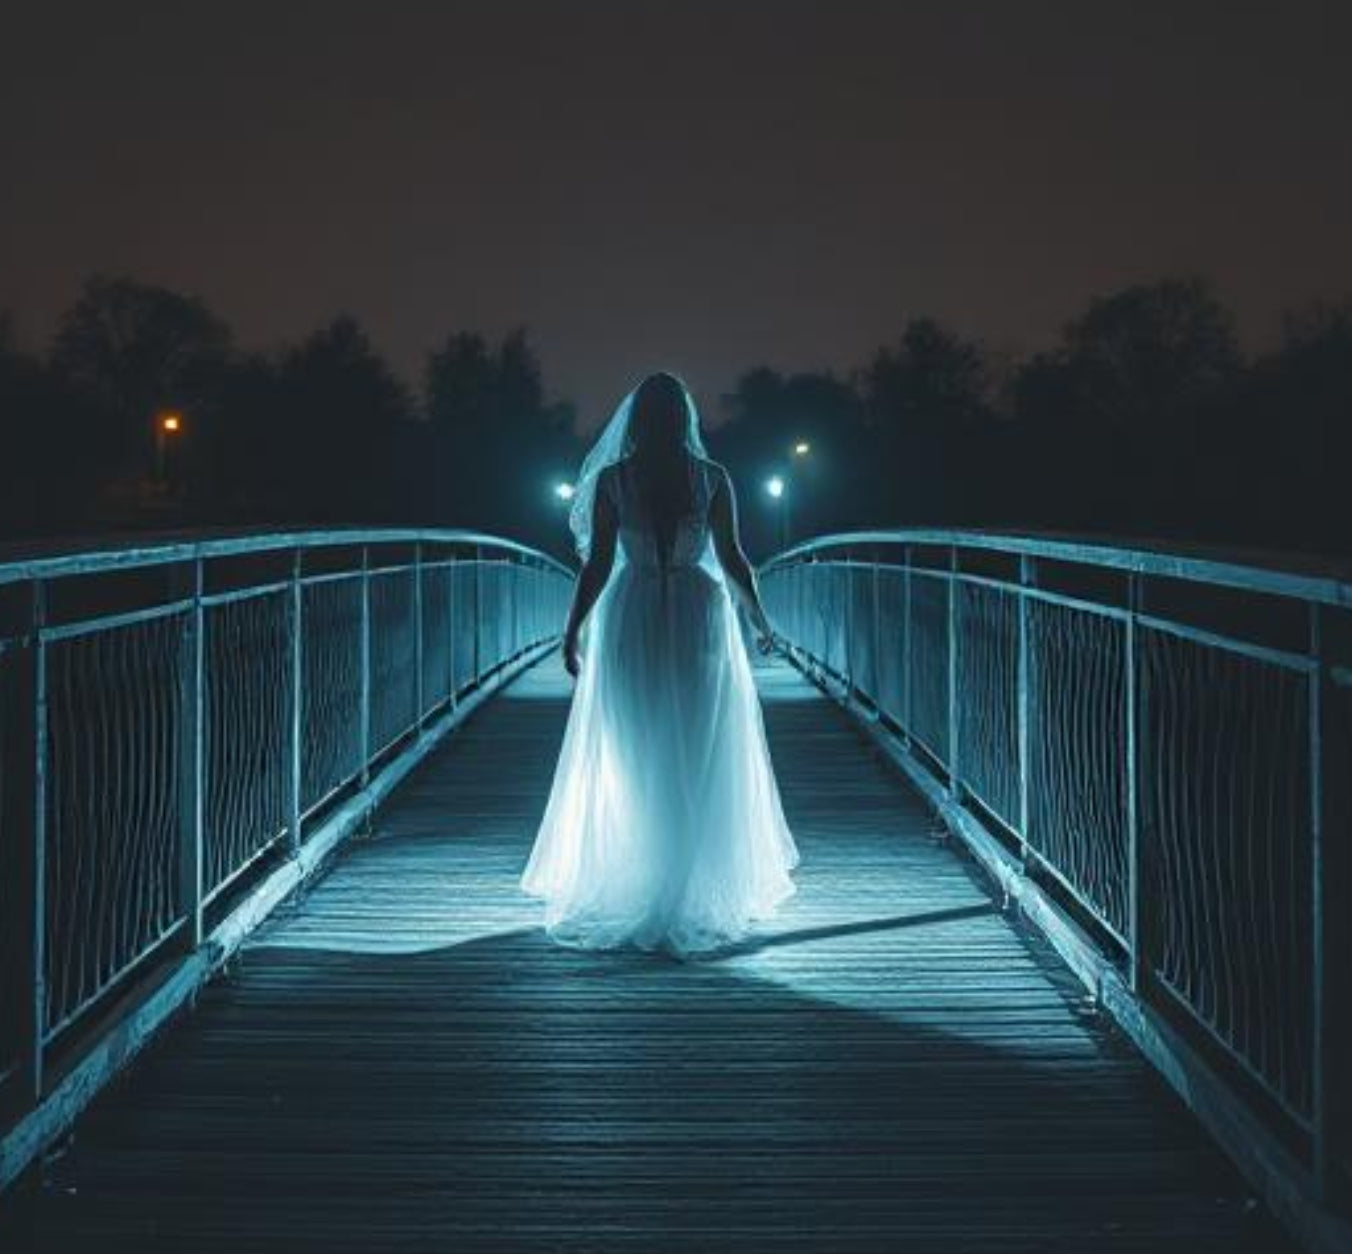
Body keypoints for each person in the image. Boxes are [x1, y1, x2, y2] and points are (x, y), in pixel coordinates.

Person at [521, 371, 799, 956]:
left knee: (636, 745)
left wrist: (572, 631)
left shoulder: (614, 480)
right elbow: (733, 559)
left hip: (634, 612)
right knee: (697, 744)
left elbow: (598, 563)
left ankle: (645, 872)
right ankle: (689, 876)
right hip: (699, 613)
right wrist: (759, 621)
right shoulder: (713, 479)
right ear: (685, 418)